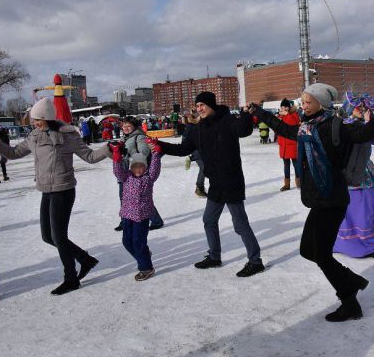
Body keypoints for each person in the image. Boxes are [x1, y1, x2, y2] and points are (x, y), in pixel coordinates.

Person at [249, 83, 374, 322]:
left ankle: (349, 299)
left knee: (321, 254)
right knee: (308, 250)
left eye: (308, 101)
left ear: (321, 103)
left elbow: (360, 134)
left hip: (332, 198)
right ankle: (353, 281)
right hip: (319, 199)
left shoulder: (334, 124)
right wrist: (261, 113)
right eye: (302, 101)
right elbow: (285, 130)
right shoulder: (306, 127)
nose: (303, 105)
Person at [0, 98, 110, 295]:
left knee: (59, 237)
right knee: (48, 236)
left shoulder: (67, 135)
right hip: (47, 190)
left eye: (37, 119)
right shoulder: (35, 136)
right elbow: (12, 153)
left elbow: (89, 157)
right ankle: (84, 258)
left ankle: (71, 278)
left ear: (47, 118)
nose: (34, 123)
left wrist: (107, 149)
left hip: (63, 190)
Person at [153, 91, 265, 277]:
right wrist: (160, 145)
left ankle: (256, 261)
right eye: (197, 106)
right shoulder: (198, 129)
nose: (199, 109)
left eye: (202, 105)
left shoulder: (227, 121)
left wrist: (246, 114)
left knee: (240, 224)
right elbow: (183, 149)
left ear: (211, 105)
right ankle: (214, 256)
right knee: (209, 220)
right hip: (215, 183)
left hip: (231, 181)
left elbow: (243, 130)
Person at [332, 92, 374, 259]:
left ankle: (370, 240)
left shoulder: (363, 124)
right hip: (350, 174)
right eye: (360, 108)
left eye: (365, 108)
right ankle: (359, 243)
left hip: (366, 172)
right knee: (358, 210)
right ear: (350, 108)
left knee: (372, 206)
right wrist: (369, 125)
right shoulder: (345, 126)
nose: (363, 110)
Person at [110, 141, 161, 281]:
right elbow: (117, 170)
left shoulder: (149, 178)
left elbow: (155, 168)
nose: (138, 169)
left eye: (141, 166)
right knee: (127, 242)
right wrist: (116, 154)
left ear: (145, 167)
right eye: (135, 166)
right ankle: (143, 254)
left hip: (142, 216)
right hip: (127, 215)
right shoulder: (126, 177)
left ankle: (146, 268)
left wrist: (156, 153)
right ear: (131, 167)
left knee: (138, 242)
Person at [113, 116, 165, 231]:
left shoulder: (139, 137)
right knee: (124, 197)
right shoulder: (125, 137)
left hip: (135, 173)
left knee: (140, 198)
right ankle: (125, 221)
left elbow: (144, 152)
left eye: (128, 126)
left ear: (134, 126)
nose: (125, 128)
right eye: (124, 126)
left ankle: (156, 221)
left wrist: (126, 152)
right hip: (126, 171)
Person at [278, 98, 300, 191]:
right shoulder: (280, 116)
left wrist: (286, 115)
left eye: (286, 107)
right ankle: (287, 184)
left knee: (296, 165)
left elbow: (292, 124)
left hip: (292, 145)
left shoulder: (294, 115)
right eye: (282, 107)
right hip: (284, 146)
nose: (284, 108)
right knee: (286, 166)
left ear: (289, 107)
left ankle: (299, 182)